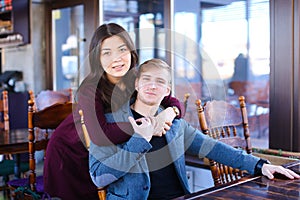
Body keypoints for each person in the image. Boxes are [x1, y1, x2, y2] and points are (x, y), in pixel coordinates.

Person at [89, 58, 300, 200]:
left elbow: (214, 148)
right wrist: (139, 141)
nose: (152, 86)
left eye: (160, 82)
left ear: (167, 90)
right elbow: (99, 177)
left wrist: (260, 165)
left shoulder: (176, 125)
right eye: (147, 80)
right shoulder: (110, 124)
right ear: (136, 84)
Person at [43, 24, 181, 200]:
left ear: (131, 51)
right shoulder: (89, 89)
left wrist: (170, 112)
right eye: (106, 52)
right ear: (96, 58)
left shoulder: (136, 78)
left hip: (107, 153)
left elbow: (171, 100)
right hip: (72, 151)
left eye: (122, 50)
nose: (116, 58)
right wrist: (146, 126)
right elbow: (101, 135)